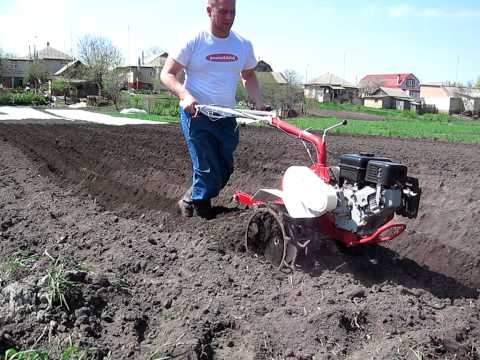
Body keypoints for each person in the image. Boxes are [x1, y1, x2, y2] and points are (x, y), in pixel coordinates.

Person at [160, 0, 264, 219]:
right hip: (197, 114)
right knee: (206, 167)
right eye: (223, 12)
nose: (228, 17)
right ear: (209, 11)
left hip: (227, 117)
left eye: (232, 12)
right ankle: (201, 212)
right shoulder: (194, 39)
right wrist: (184, 95)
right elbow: (167, 74)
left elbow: (249, 75)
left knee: (224, 170)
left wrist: (259, 102)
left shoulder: (242, 44)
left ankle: (189, 198)